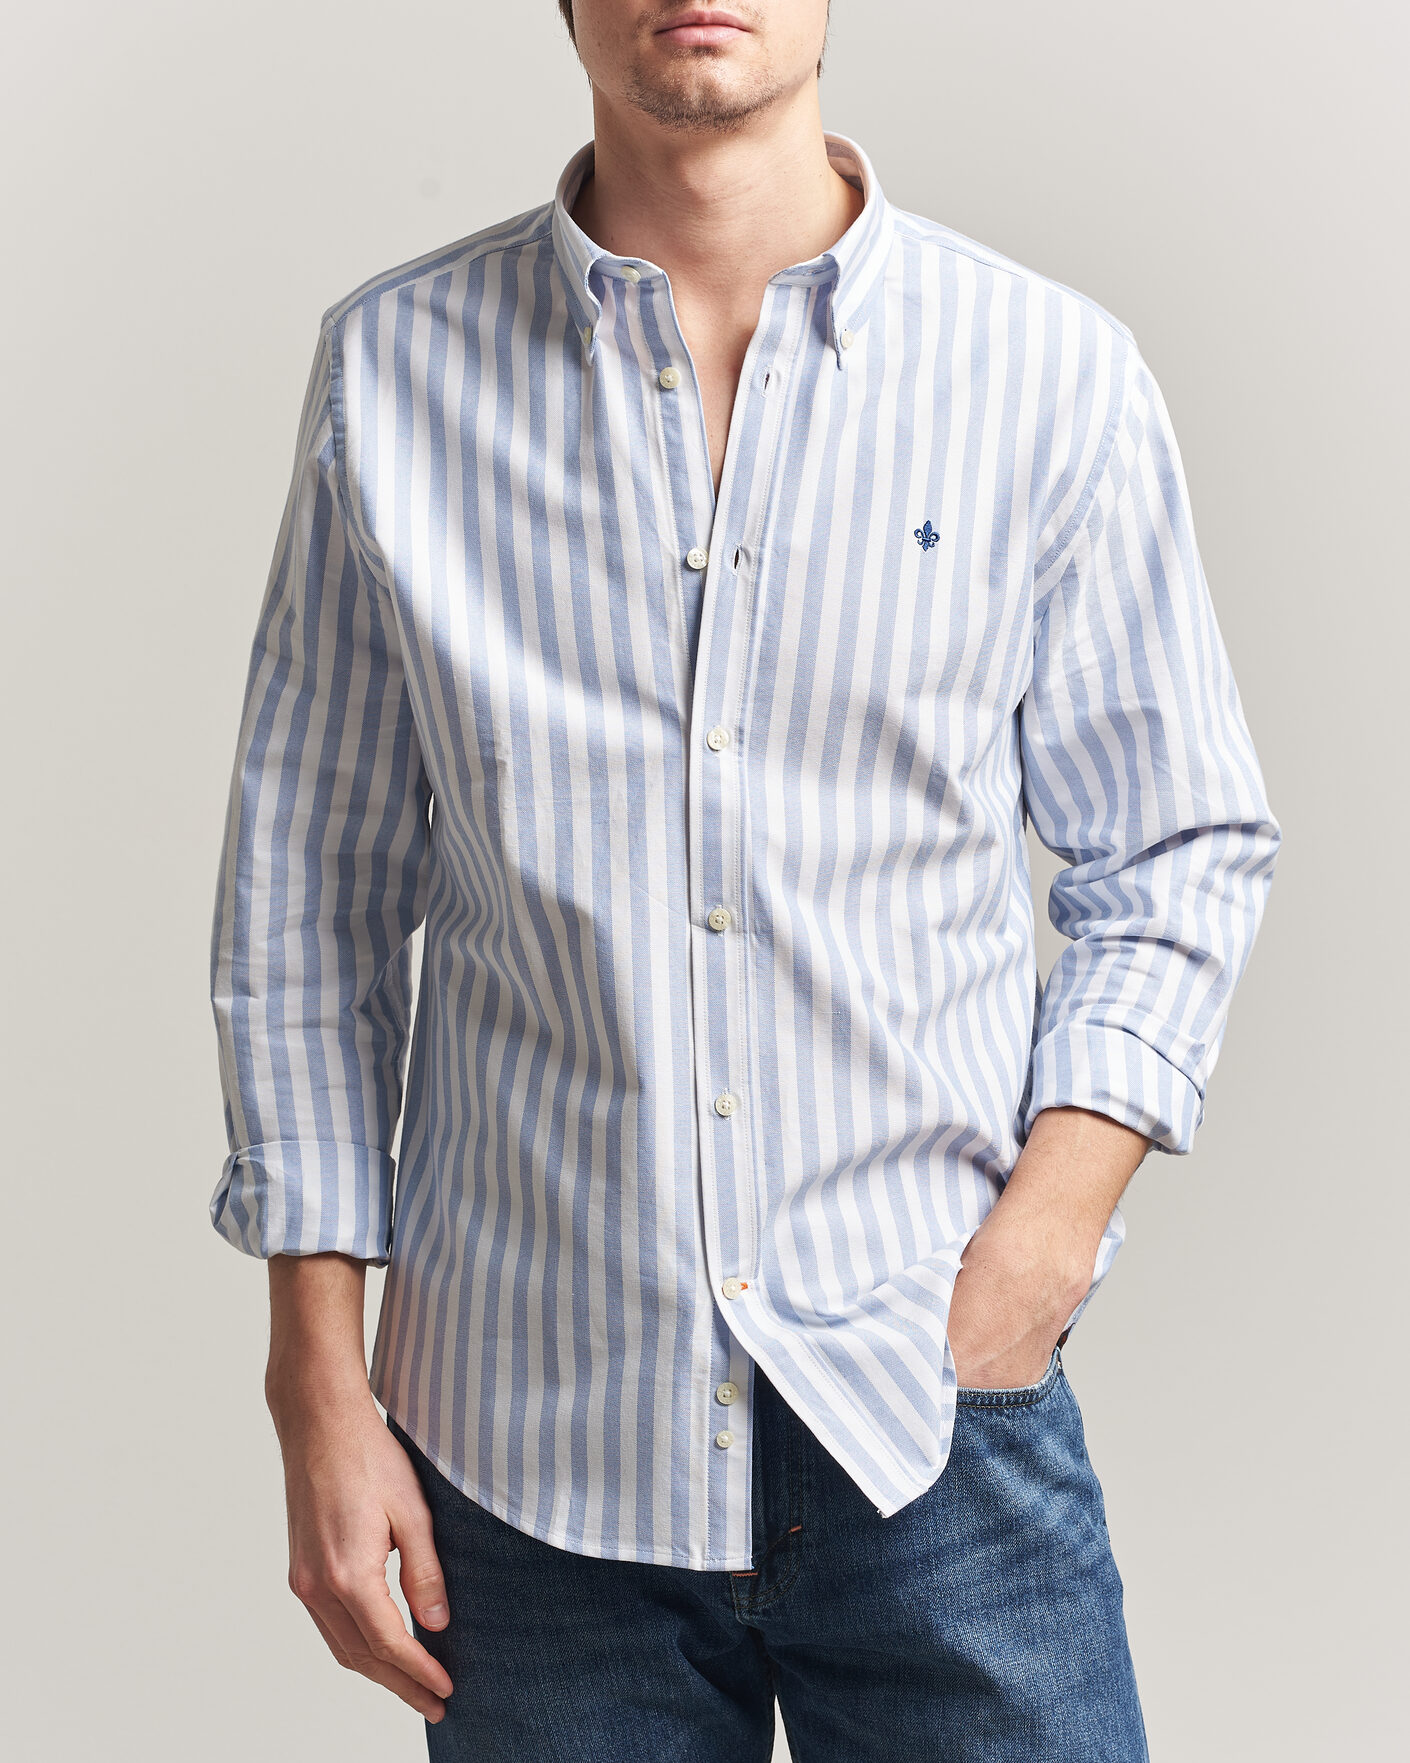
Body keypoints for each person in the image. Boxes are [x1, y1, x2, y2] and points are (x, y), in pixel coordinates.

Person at [206, 3, 1281, 1757]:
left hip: (928, 1417)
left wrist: (1042, 1239)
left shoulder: (1044, 369)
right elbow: (303, 905)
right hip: (522, 1459)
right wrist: (313, 1386)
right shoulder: (392, 369)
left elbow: (1173, 843)